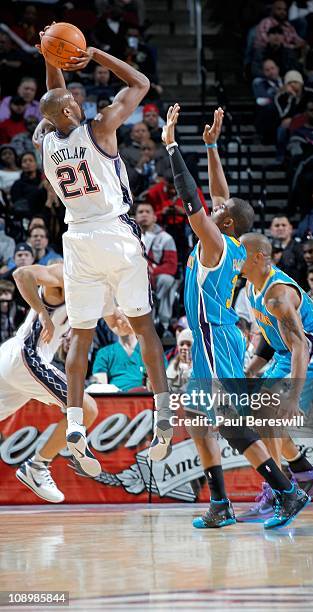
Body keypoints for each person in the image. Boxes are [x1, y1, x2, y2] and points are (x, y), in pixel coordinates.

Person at [163, 103, 311, 530]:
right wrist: (210, 146)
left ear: (223, 222)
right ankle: (221, 502)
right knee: (195, 416)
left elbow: (191, 199)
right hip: (214, 334)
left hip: (215, 336)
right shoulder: (227, 238)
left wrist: (173, 146)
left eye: (217, 212)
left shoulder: (215, 244)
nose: (213, 208)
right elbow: (219, 196)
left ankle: (286, 489)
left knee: (229, 420)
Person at [36, 25, 173, 470]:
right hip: (115, 233)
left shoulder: (46, 142)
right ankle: (165, 415)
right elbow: (140, 84)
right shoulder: (100, 128)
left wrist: (48, 54)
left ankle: (74, 421)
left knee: (81, 332)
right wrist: (93, 53)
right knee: (144, 325)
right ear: (73, 110)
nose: (77, 99)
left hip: (76, 240)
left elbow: (53, 101)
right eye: (74, 101)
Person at [237, 232, 313, 522]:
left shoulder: (277, 295)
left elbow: (301, 345)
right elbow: (271, 338)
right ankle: (303, 475)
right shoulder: (249, 286)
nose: (234, 258)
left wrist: (293, 396)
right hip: (288, 352)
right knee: (257, 410)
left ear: (258, 256)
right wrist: (250, 371)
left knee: (271, 413)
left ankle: (282, 491)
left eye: (240, 253)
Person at [0, 263, 101, 501]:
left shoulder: (94, 287)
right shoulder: (65, 273)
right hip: (28, 356)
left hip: (14, 358)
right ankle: (37, 467)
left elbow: (109, 315)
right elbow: (21, 274)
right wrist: (42, 313)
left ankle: (37, 467)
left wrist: (117, 319)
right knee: (87, 409)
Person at [135, 201, 178, 335]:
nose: (144, 214)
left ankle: (162, 323)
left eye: (148, 212)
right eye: (140, 212)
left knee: (167, 279)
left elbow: (171, 266)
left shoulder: (166, 238)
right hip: (135, 276)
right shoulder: (128, 237)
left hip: (156, 278)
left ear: (155, 217)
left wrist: (152, 272)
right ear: (135, 218)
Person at [92, 316, 146, 391]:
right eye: (118, 317)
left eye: (126, 316)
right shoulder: (104, 353)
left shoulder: (150, 351)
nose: (122, 320)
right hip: (114, 399)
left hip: (143, 399)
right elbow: (100, 388)